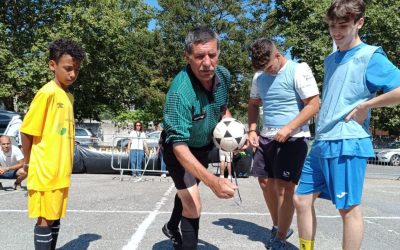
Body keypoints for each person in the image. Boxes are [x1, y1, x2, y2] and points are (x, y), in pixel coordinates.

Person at [293, 1, 400, 249]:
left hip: (347, 141)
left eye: (343, 25)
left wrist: (366, 106)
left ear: (359, 23)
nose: (336, 31)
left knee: (348, 209)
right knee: (301, 200)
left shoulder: (370, 56)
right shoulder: (331, 59)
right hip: (322, 141)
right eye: (332, 26)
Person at [161, 26, 237, 249]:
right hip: (179, 150)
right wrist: (213, 181)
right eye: (199, 56)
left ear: (218, 54)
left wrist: (231, 133)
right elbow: (179, 147)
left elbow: (223, 110)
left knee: (189, 190)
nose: (207, 63)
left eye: (212, 55)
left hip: (203, 146)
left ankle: (172, 226)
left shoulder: (223, 75)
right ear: (187, 57)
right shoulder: (179, 94)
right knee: (193, 204)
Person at [248, 38, 320, 249]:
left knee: (283, 189)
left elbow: (314, 104)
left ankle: (280, 237)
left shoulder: (299, 70)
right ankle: (279, 225)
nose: (267, 71)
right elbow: (253, 104)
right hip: (266, 137)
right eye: (263, 68)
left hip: (293, 138)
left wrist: (289, 128)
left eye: (269, 66)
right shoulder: (259, 76)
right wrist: (252, 129)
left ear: (277, 55)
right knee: (264, 183)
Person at [20, 38, 85, 250]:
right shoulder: (46, 93)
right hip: (45, 170)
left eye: (76, 69)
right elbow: (27, 131)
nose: (72, 74)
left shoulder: (68, 96)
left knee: (55, 216)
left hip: (61, 171)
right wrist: (27, 163)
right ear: (52, 65)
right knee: (45, 219)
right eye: (68, 68)